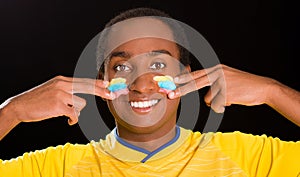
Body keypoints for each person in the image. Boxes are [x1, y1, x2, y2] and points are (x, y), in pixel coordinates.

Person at [0, 7, 299, 177]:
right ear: (101, 81)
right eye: (122, 67)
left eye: (158, 64)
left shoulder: (249, 157)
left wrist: (272, 92)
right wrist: (11, 111)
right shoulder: (57, 168)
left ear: (186, 76)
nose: (142, 85)